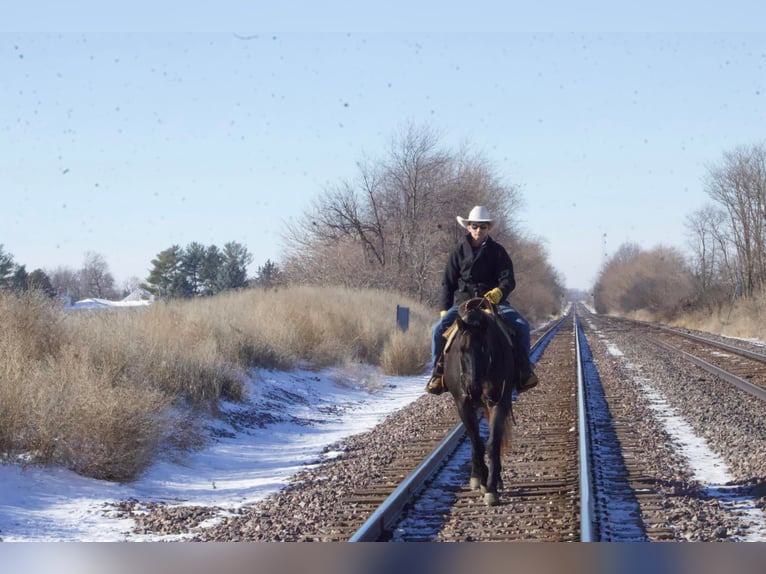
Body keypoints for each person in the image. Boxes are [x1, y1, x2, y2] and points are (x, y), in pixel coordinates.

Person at [425, 205, 539, 395]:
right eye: (475, 226)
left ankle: (524, 371)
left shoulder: (498, 252)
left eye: (483, 226)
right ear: (468, 227)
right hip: (463, 303)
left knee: (522, 326)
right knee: (437, 329)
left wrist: (498, 293)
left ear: (488, 229)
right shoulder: (458, 252)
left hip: (493, 303)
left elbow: (508, 279)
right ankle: (438, 374)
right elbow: (448, 282)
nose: (479, 230)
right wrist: (445, 310)